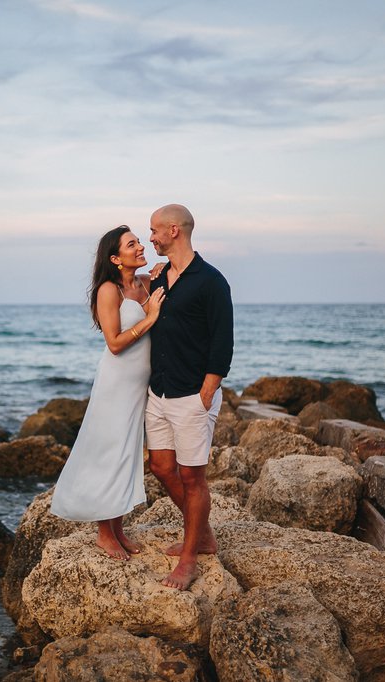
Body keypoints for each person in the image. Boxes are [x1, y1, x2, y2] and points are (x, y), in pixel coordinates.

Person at [50, 226, 166, 560]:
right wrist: (152, 316)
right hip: (117, 382)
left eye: (139, 241)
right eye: (132, 244)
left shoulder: (143, 282)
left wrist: (162, 269)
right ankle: (104, 534)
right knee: (109, 452)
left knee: (127, 453)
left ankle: (116, 528)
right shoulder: (108, 290)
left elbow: (169, 273)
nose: (141, 246)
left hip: (140, 383)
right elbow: (114, 344)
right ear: (115, 258)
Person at [145, 204, 233, 590]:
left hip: (192, 395)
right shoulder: (160, 276)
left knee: (193, 477)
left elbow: (223, 339)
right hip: (159, 389)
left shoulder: (211, 281)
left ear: (174, 230)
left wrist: (208, 390)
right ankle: (205, 535)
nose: (150, 238)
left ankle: (189, 558)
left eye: (154, 231)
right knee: (162, 468)